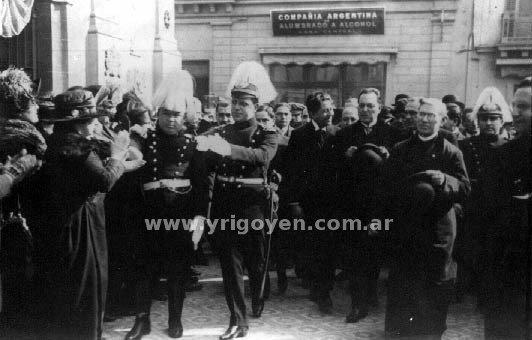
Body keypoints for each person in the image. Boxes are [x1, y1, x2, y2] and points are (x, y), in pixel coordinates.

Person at [32, 89, 142, 340]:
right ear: (78, 122)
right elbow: (104, 181)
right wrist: (117, 155)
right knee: (88, 290)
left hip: (64, 226)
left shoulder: (56, 142)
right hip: (82, 229)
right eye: (92, 120)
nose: (96, 125)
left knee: (72, 293)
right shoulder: (77, 149)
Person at [123, 71, 209, 340]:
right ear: (158, 114)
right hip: (148, 213)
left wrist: (199, 218)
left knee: (176, 271)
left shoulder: (194, 144)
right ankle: (142, 320)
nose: (171, 119)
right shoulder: (145, 139)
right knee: (144, 270)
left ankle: (175, 320)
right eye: (166, 113)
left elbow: (202, 186)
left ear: (186, 116)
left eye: (177, 114)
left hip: (179, 215)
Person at [197, 61, 278, 339]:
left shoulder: (266, 134)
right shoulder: (220, 132)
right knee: (231, 267)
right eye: (234, 103)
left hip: (253, 208)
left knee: (256, 264)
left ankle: (256, 298)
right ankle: (238, 321)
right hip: (225, 206)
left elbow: (261, 157)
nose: (237, 108)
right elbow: (198, 145)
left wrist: (226, 149)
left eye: (243, 104)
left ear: (255, 106)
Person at [384, 98, 470, 339]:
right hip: (408, 227)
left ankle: (432, 332)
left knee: (435, 284)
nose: (424, 119)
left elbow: (465, 188)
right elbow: (386, 187)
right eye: (421, 114)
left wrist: (445, 180)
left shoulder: (451, 151)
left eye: (431, 115)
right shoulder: (401, 149)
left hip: (438, 228)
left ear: (441, 119)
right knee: (406, 280)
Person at [334, 88, 396, 323]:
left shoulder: (392, 134)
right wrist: (345, 157)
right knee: (355, 255)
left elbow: (399, 171)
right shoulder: (345, 135)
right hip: (354, 205)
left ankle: (370, 294)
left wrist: (389, 156)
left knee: (374, 254)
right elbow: (333, 173)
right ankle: (357, 304)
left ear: (379, 108)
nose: (366, 110)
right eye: (362, 106)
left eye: (371, 106)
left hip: (381, 205)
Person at [482, 77, 531, 339]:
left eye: (523, 106)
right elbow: (489, 215)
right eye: (514, 105)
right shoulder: (503, 156)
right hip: (510, 271)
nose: (515, 112)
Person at [283, 91, 338, 314]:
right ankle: (316, 287)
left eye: (331, 109)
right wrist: (294, 202)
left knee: (329, 249)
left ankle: (325, 292)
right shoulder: (300, 136)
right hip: (307, 204)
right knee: (310, 247)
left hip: (331, 204)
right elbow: (291, 172)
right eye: (325, 110)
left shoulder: (337, 134)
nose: (330, 113)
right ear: (313, 112)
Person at [456, 87, 511, 306]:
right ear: (478, 121)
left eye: (494, 119)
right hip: (473, 205)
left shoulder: (509, 147)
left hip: (500, 208)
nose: (489, 123)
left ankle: (487, 293)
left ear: (502, 120)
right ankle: (464, 287)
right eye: (484, 119)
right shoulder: (467, 146)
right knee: (468, 248)